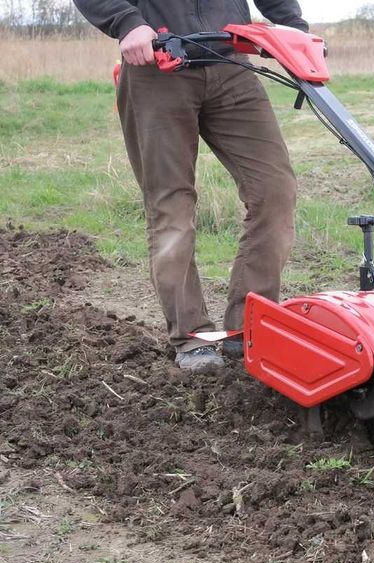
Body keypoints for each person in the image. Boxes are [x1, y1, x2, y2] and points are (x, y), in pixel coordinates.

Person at [73, 0, 308, 372]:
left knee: (275, 189)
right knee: (172, 206)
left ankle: (247, 325)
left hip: (230, 62)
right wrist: (127, 22)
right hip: (157, 65)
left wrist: (293, 25)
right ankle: (191, 335)